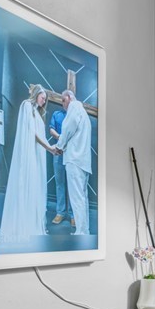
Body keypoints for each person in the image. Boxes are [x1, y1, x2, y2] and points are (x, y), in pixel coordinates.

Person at [0, 84, 57, 239]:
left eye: (45, 100)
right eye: (42, 98)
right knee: (26, 184)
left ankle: (29, 223)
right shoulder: (27, 106)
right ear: (36, 94)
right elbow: (32, 133)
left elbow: (39, 135)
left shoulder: (36, 112)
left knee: (35, 186)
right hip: (29, 155)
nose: (44, 102)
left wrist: (48, 147)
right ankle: (22, 225)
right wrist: (49, 148)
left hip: (36, 156)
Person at [55, 89, 92, 236]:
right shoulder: (83, 112)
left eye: (63, 100)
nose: (63, 104)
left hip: (75, 160)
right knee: (83, 199)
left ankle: (81, 233)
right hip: (83, 161)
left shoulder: (74, 108)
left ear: (70, 97)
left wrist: (58, 147)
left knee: (77, 199)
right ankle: (84, 230)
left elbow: (67, 129)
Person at [48, 105, 70, 224]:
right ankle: (60, 212)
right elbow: (51, 129)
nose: (64, 102)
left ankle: (73, 215)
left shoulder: (74, 115)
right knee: (59, 184)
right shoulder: (57, 114)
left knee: (72, 185)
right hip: (58, 152)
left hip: (72, 154)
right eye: (63, 100)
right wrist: (60, 138)